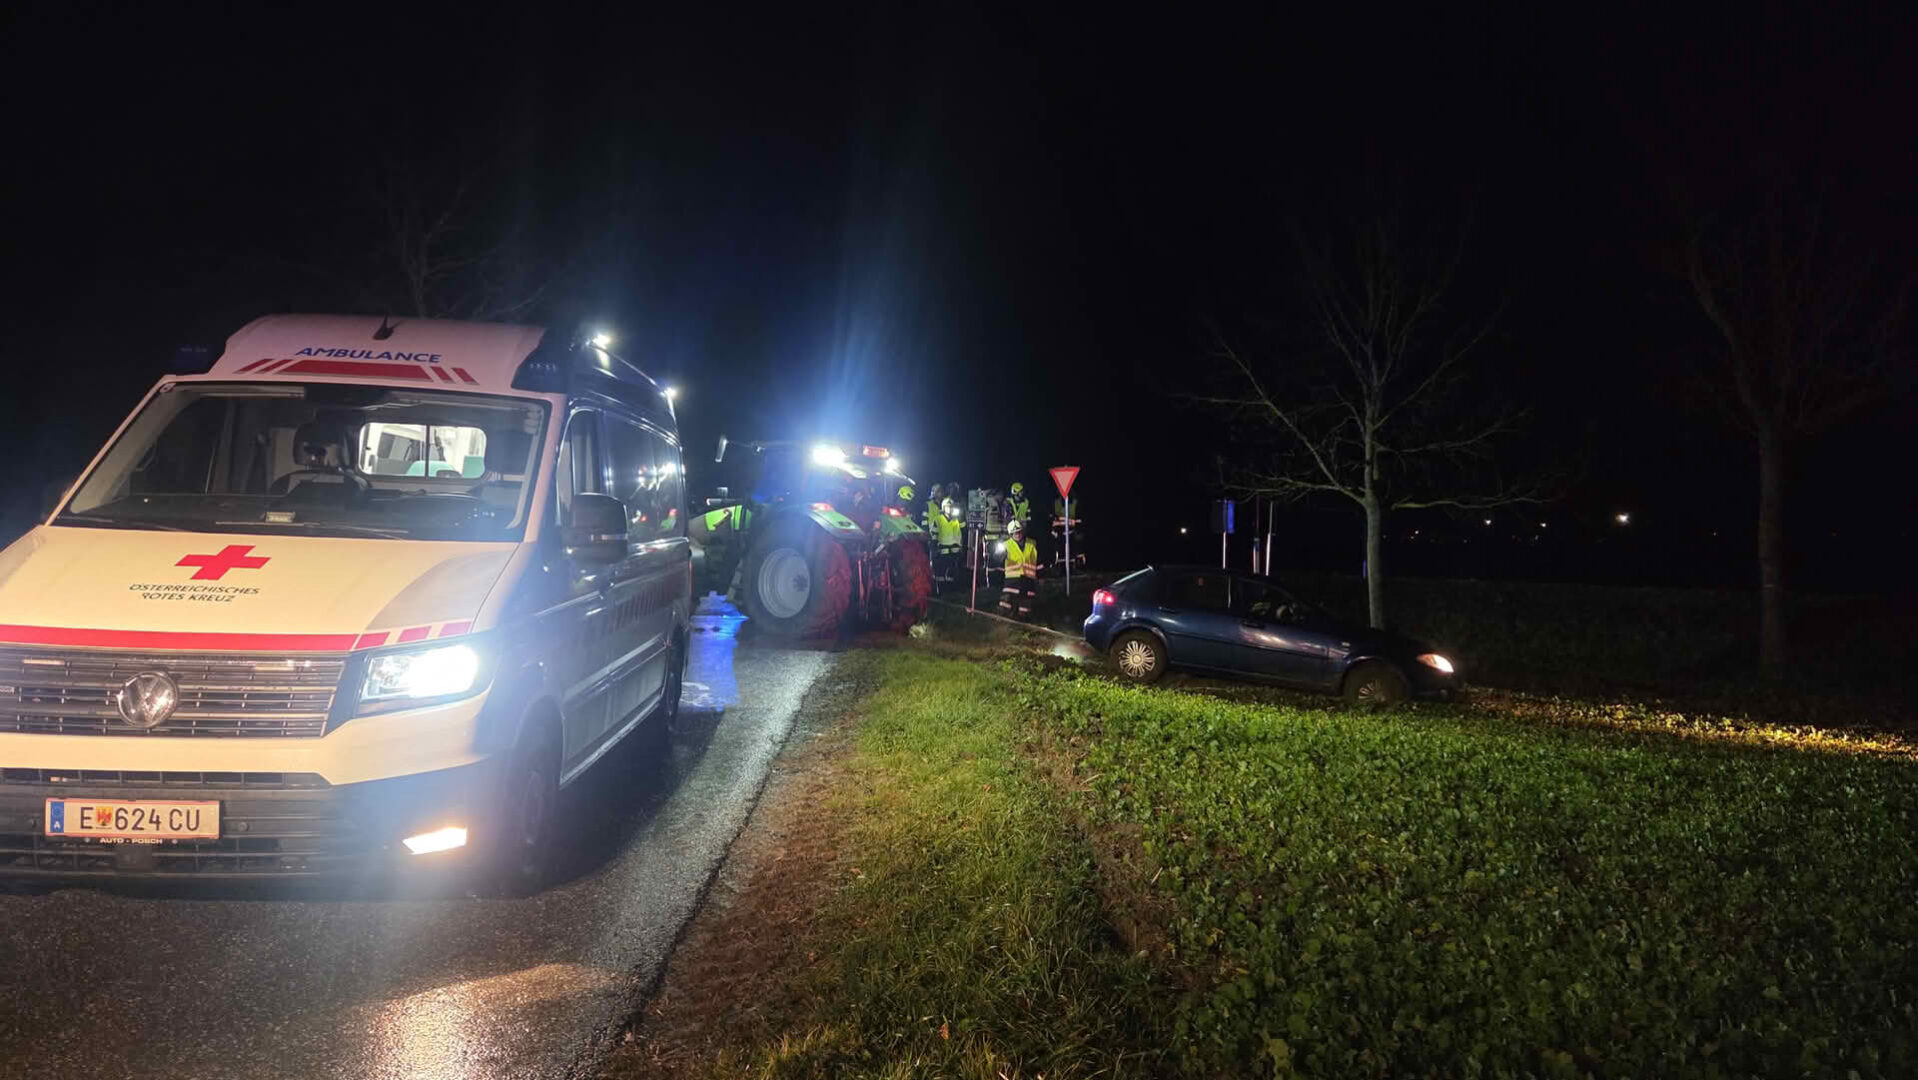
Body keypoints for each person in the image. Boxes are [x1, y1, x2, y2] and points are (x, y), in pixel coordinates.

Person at [998, 519, 1039, 621]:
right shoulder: (1006, 545)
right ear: (1010, 534)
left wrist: (1040, 575)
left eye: (1019, 532)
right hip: (1012, 579)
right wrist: (1000, 556)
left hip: (1028, 578)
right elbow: (997, 559)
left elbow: (1038, 560)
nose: (1017, 535)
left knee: (1025, 605)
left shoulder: (1032, 543)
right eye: (1014, 533)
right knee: (1006, 601)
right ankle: (1003, 619)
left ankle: (1022, 622)